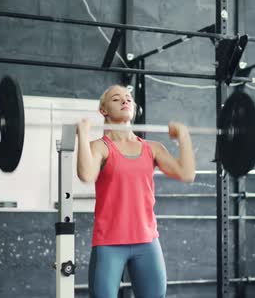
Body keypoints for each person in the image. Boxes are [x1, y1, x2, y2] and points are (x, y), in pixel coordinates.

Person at [76, 85, 196, 298]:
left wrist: (184, 137)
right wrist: (83, 136)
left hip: (147, 241)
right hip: (109, 243)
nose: (125, 101)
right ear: (103, 110)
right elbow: (86, 175)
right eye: (116, 99)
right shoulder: (100, 147)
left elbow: (186, 174)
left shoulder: (153, 148)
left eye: (128, 98)